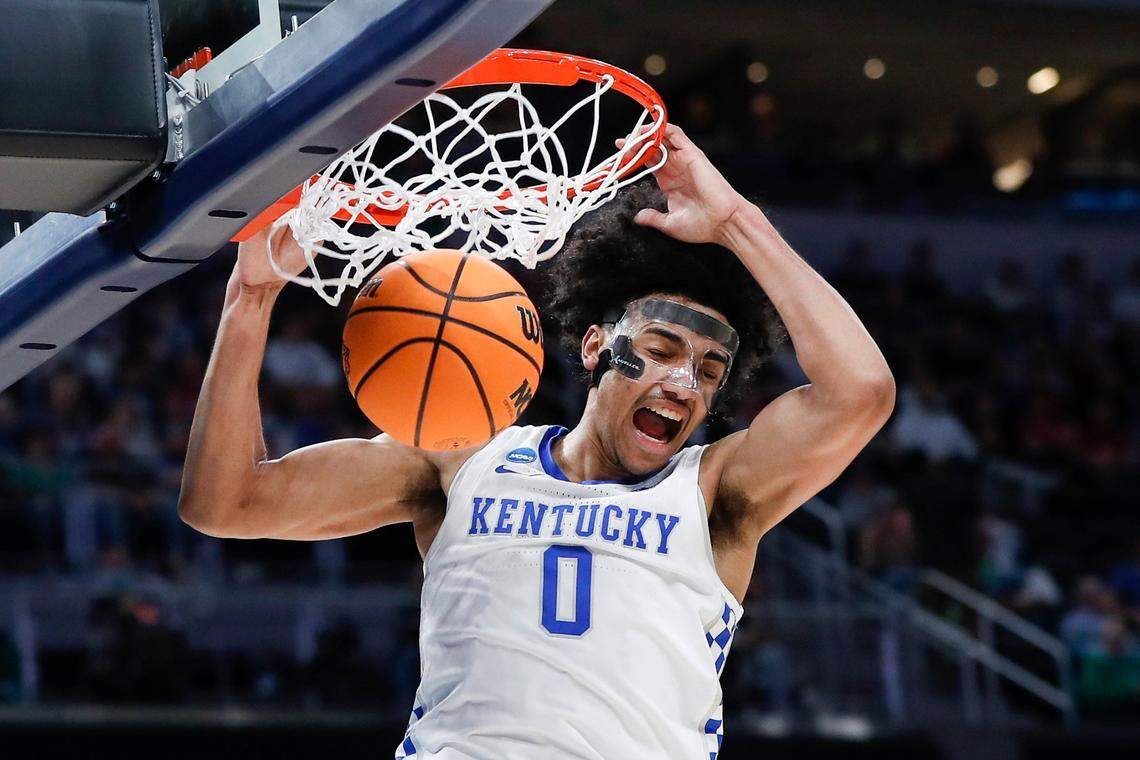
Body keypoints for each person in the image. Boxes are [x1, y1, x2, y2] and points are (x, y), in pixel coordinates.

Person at [178, 124, 895, 759]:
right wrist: (251, 297)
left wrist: (736, 222)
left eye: (709, 372)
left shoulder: (713, 493)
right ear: (595, 346)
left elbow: (859, 391)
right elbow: (224, 502)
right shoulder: (463, 460)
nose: (683, 383)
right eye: (661, 349)